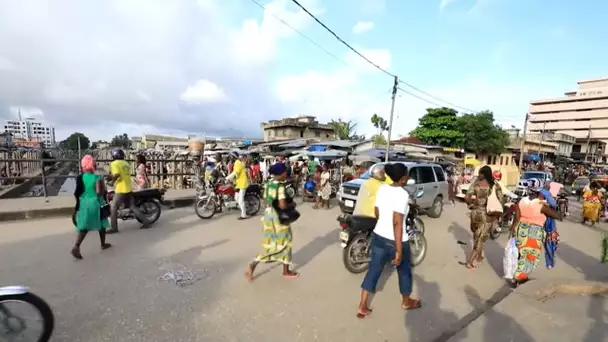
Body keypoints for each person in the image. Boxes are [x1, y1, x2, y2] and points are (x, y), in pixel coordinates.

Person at [357, 163, 420, 319]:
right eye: (406, 175)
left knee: (374, 270)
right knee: (404, 271)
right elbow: (397, 222)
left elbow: (377, 211)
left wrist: (383, 223)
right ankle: (406, 301)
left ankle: (362, 305)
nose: (407, 177)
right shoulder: (402, 194)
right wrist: (398, 250)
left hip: (378, 235)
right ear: (403, 178)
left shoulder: (383, 188)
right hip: (396, 240)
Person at [245, 163, 298, 281]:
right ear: (281, 173)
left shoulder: (268, 184)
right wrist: (292, 204)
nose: (286, 173)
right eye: (285, 171)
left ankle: (254, 264)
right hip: (278, 217)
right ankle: (286, 271)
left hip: (268, 216)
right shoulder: (280, 186)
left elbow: (265, 200)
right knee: (287, 241)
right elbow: (282, 205)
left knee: (270, 244)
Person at [509, 188, 561, 285]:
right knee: (531, 256)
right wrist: (550, 205)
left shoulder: (522, 200)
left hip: (521, 229)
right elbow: (558, 216)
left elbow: (517, 217)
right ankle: (518, 277)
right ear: (541, 195)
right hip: (534, 233)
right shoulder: (540, 205)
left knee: (522, 254)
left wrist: (513, 229)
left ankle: (518, 275)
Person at [464, 165, 504, 269]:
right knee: (480, 239)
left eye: (481, 173)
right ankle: (470, 261)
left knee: (476, 236)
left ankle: (480, 257)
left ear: (484, 174)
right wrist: (497, 213)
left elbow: (467, 197)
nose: (479, 175)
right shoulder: (494, 185)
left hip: (475, 213)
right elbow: (501, 199)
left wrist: (473, 203)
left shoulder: (475, 184)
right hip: (487, 215)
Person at [72, 155, 112, 259]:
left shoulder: (81, 177)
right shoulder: (96, 177)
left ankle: (77, 245)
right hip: (96, 203)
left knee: (84, 227)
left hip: (84, 203)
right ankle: (103, 244)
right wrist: (103, 189)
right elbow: (99, 192)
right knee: (102, 223)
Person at [107, 148, 150, 234]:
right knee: (132, 206)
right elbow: (121, 174)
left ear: (114, 155)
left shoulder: (114, 163)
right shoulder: (126, 163)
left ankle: (114, 228)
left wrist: (112, 182)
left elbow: (117, 174)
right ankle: (146, 221)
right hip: (128, 188)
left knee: (113, 207)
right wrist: (110, 178)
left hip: (120, 189)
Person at [225, 151, 249, 220]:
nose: (230, 158)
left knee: (240, 200)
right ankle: (242, 207)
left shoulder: (237, 163)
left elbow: (235, 173)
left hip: (242, 184)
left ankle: (244, 215)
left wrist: (227, 178)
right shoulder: (237, 162)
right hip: (239, 183)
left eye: (231, 157)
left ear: (233, 157)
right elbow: (234, 173)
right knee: (236, 198)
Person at [539, 188, 559, 270]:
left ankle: (549, 262)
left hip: (548, 225)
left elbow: (553, 205)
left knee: (549, 244)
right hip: (535, 225)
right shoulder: (532, 200)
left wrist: (545, 204)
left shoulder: (547, 199)